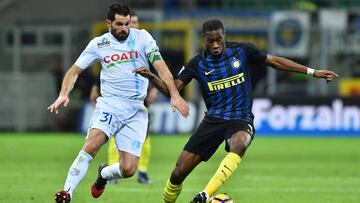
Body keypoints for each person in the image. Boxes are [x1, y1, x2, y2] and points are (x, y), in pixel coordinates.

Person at [134, 19, 339, 203]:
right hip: (213, 120)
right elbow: (173, 89)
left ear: (223, 36)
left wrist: (313, 72)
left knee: (240, 143)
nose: (215, 45)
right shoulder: (197, 63)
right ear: (203, 39)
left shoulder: (242, 50)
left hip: (240, 118)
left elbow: (275, 62)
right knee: (178, 173)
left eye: (218, 40)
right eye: (210, 41)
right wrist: (152, 77)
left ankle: (205, 194)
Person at [48, 3, 189, 203]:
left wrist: (174, 94)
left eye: (127, 24)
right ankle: (67, 192)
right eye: (119, 24)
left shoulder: (143, 38)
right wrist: (64, 93)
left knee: (128, 169)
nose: (124, 28)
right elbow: (73, 71)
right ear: (109, 23)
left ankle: (104, 174)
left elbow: (161, 67)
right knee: (92, 144)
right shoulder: (99, 44)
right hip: (110, 105)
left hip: (136, 110)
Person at [89, 10, 158, 184]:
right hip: (116, 100)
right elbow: (107, 69)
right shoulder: (112, 44)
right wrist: (95, 87)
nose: (130, 26)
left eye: (133, 23)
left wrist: (155, 90)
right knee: (113, 136)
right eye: (128, 23)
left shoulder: (143, 42)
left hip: (140, 99)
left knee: (145, 137)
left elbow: (156, 68)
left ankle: (142, 171)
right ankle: (113, 168)